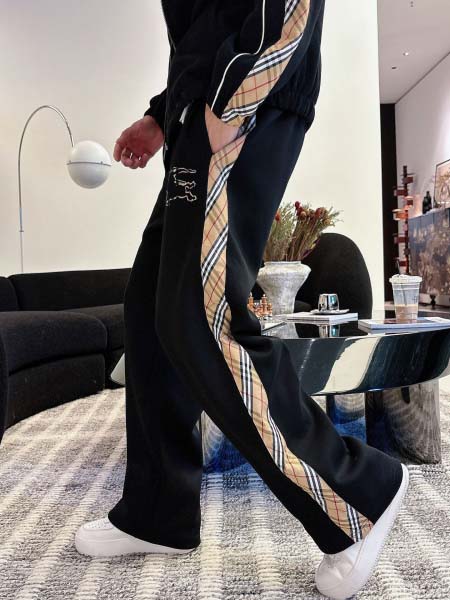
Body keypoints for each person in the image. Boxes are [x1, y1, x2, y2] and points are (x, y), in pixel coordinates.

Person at [75, 1, 409, 598]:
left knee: (201, 318)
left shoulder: (237, 94)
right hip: (200, 109)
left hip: (244, 97)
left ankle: (358, 494)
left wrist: (232, 99)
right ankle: (158, 512)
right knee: (151, 310)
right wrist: (164, 112)